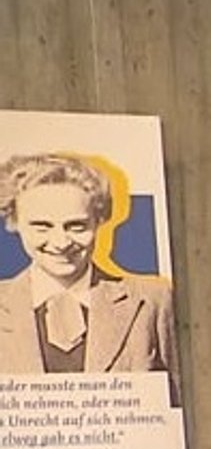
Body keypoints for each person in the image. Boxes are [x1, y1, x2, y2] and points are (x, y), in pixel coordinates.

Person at [0, 152, 180, 404]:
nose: (61, 242)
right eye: (42, 226)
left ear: (99, 221)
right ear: (14, 222)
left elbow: (179, 411)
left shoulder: (152, 301)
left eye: (77, 226)